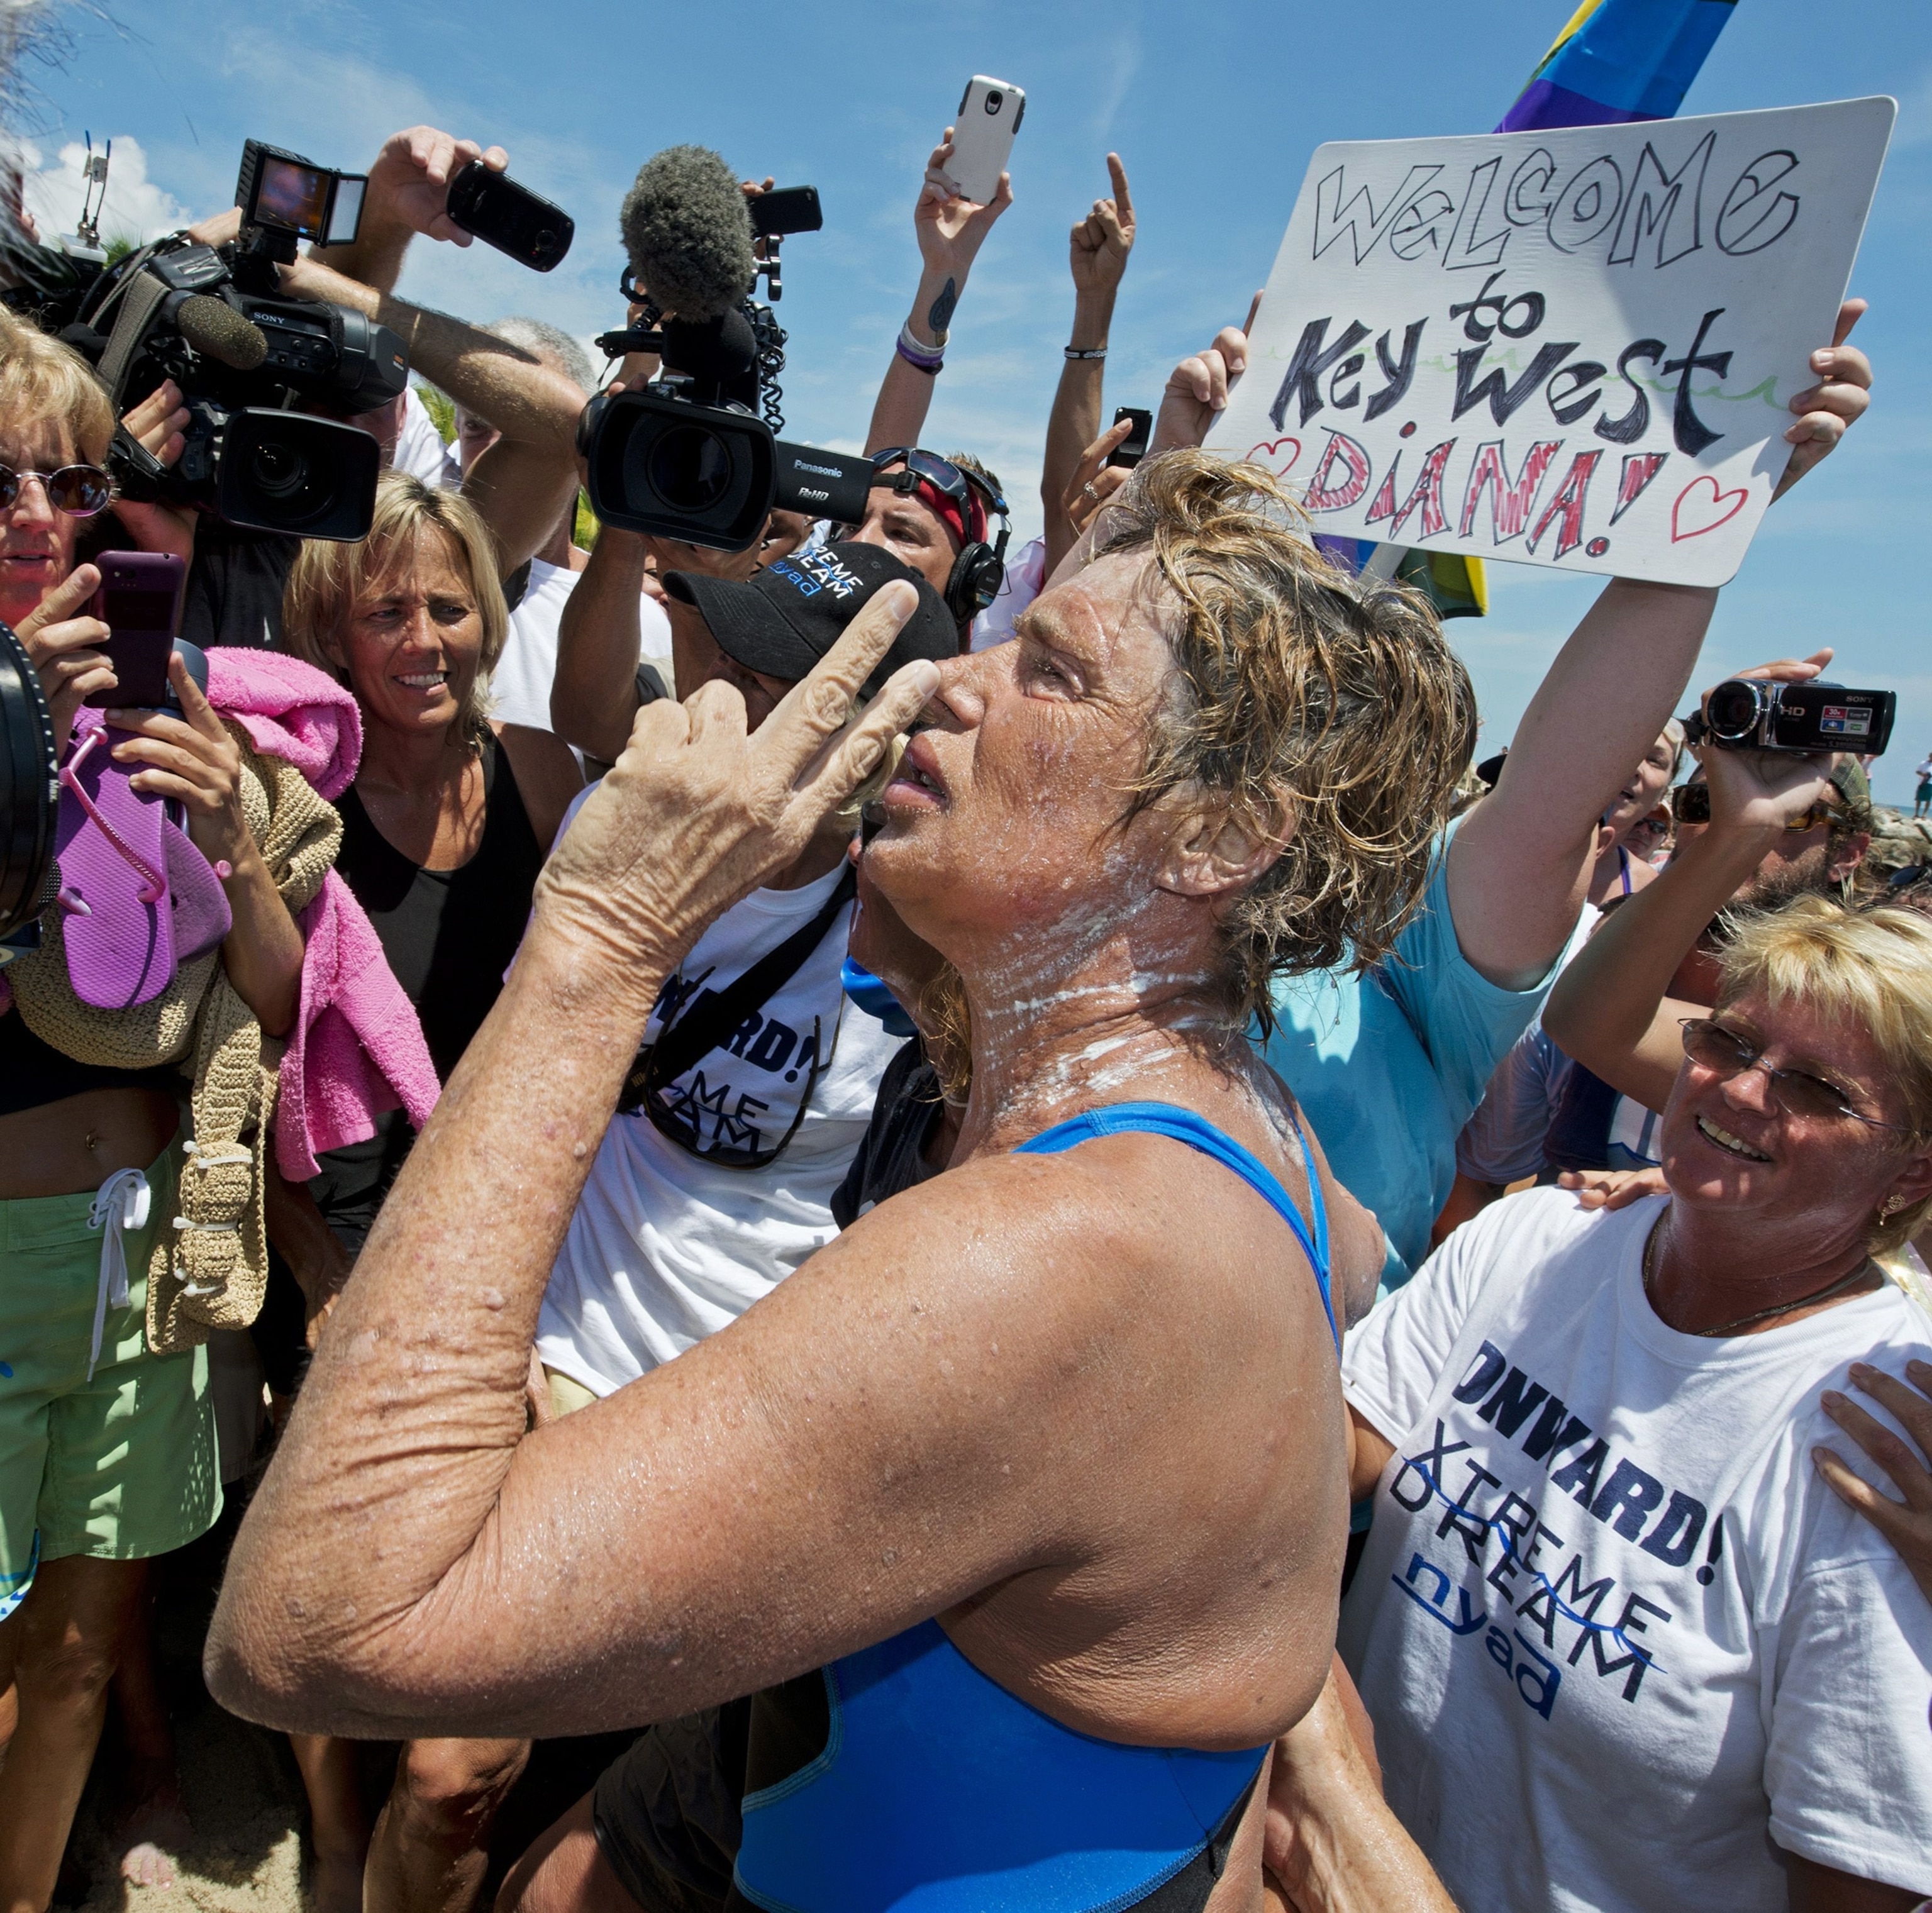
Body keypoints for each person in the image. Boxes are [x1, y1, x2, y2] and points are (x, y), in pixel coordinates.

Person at [206, 451, 1468, 1913]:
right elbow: (1355, 1260)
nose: (951, 684)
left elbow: (315, 1623)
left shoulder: (1048, 1254)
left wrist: (601, 933)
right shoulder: (1247, 1127)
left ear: (1213, 838)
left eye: (1045, 672)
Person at [1110, 302, 1873, 1290]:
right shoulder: (1094, 859)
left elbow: (1552, 795)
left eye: (1328, 690)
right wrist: (1175, 478)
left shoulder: (1413, 952)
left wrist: (1717, 501)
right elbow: (1086, 679)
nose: (1269, 709)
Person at [1335, 887, 1932, 1909]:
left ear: (1908, 1170)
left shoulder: (1881, 1436)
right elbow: (1320, 1459)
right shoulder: (1534, 1240)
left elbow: (1853, 1877)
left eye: (1817, 1091)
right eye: (1730, 1041)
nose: (1743, 1091)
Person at [0, 309, 307, 1907]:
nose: (44, 519)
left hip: (141, 1266)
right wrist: (21, 747)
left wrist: (232, 846)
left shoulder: (169, 692)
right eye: (0, 483)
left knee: (73, 1660)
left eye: (69, 477)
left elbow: (273, 1002)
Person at [270, 472, 580, 1913]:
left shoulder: (527, 774)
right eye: (382, 606)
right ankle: (333, 1825)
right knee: (327, 1559)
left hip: (501, 1230)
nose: (421, 634)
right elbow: (243, 1074)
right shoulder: (297, 796)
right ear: (333, 628)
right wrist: (318, 1275)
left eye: (446, 602)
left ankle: (421, 1800)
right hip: (339, 1226)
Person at [533, 543, 956, 1406]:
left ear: (869, 755)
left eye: (756, 687)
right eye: (720, 659)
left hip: (728, 1412)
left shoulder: (919, 954)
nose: (713, 699)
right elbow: (521, 1090)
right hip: (546, 1343)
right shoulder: (614, 824)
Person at [1913, 750, 1931, 821]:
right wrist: (1923, 775)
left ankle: (1924, 815)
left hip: (1930, 784)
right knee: (1918, 799)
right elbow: (1917, 771)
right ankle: (1916, 814)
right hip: (1922, 783)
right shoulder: (1923, 763)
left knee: (1928, 800)